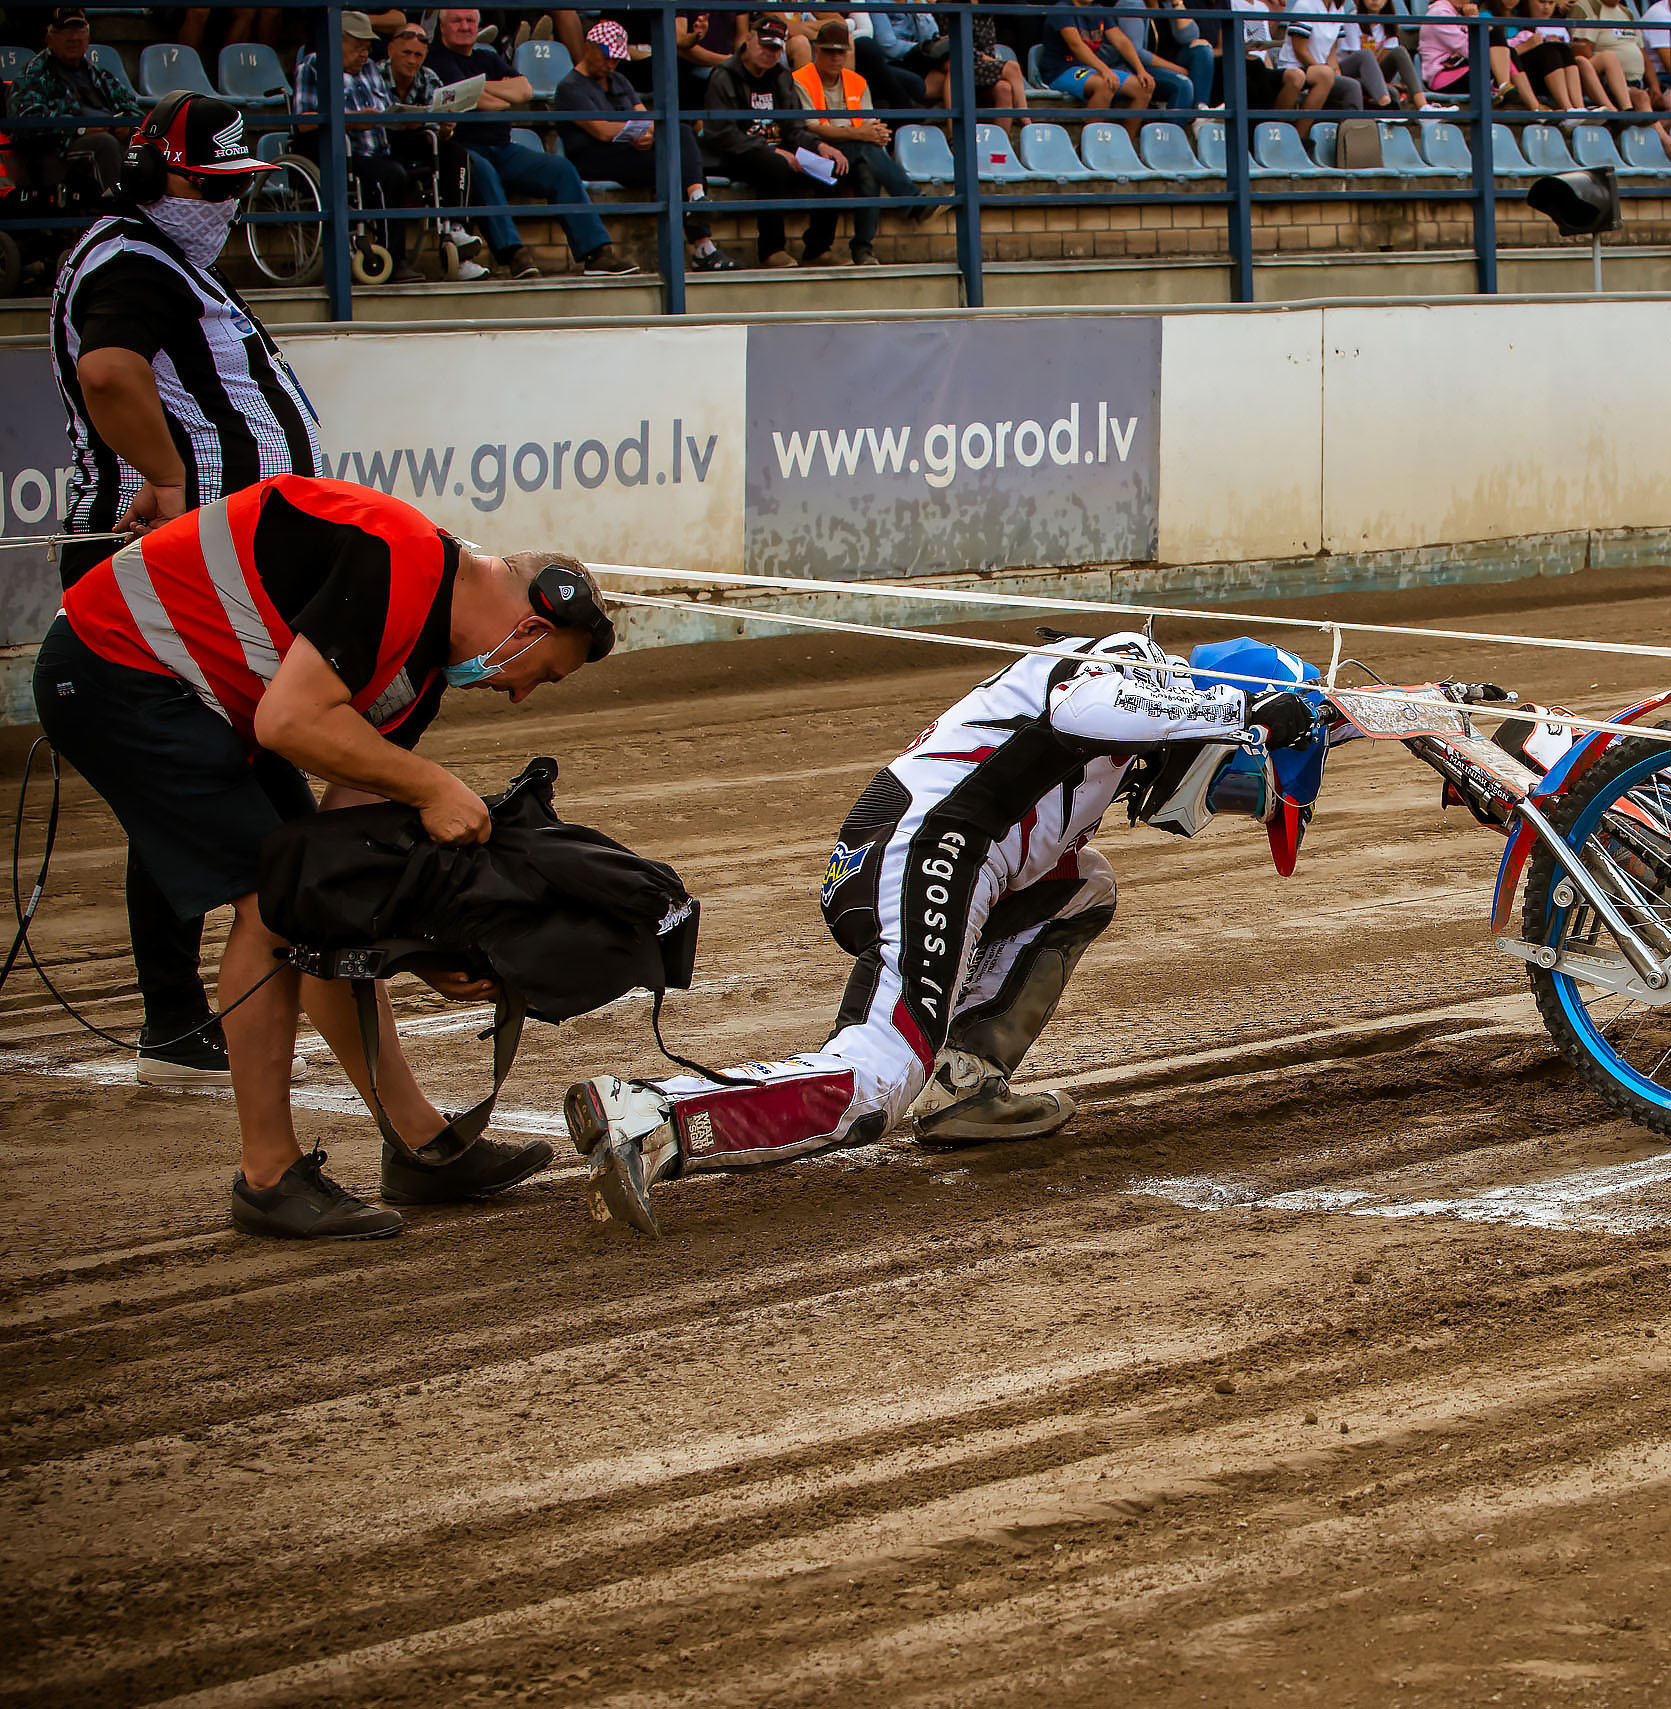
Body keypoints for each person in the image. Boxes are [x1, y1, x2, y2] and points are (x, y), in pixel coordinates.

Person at [563, 634, 1330, 1237]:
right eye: (1235, 782)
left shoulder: (1137, 697)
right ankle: (653, 1114)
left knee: (1084, 885)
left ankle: (964, 1084)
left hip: (943, 852)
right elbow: (1085, 709)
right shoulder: (1125, 662)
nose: (1206, 807)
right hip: (931, 852)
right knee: (872, 1087)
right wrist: (1237, 715)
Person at [34, 474, 616, 1238]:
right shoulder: (396, 559)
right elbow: (287, 721)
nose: (519, 696)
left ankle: (418, 1145)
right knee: (270, 904)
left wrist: (420, 949)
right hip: (114, 668)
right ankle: (267, 1177)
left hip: (195, 692)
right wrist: (434, 785)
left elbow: (343, 860)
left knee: (310, 890)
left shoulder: (419, 675)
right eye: (541, 673)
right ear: (533, 628)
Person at [46, 91, 325, 1087]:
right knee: (232, 792)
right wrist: (164, 479)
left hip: (203, 573)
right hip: (176, 574)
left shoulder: (152, 255)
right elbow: (112, 374)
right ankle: (184, 1011)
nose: (227, 207)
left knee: (196, 788)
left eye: (237, 188)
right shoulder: (131, 258)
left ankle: (178, 1014)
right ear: (154, 177)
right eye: (211, 186)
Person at [423, 4, 636, 278]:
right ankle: (515, 255)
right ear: (442, 27)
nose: (464, 26)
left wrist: (474, 87)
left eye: (469, 20)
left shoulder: (487, 58)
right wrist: (497, 93)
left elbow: (524, 90)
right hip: (464, 150)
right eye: (456, 21)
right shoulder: (437, 60)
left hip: (503, 148)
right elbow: (489, 102)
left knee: (560, 169)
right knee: (482, 171)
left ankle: (598, 254)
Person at [556, 19, 738, 271]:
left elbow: (647, 119)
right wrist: (637, 132)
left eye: (616, 59)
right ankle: (704, 247)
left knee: (682, 134)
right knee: (678, 165)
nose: (611, 64)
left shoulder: (618, 79)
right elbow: (601, 130)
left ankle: (697, 199)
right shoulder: (569, 87)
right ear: (589, 47)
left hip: (629, 151)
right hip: (594, 156)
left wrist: (649, 135)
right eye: (607, 57)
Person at [702, 13, 856, 268]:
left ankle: (818, 249)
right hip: (735, 153)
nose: (769, 53)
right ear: (749, 40)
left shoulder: (781, 76)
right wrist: (772, 151)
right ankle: (771, 250)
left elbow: (794, 128)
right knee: (774, 166)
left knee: (833, 167)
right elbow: (723, 133)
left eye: (775, 48)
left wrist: (820, 146)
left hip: (780, 151)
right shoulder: (724, 75)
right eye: (764, 45)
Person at [292, 11, 426, 282]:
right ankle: (394, 259)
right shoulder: (314, 66)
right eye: (358, 47)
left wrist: (404, 118)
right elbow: (303, 123)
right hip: (342, 154)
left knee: (438, 151)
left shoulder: (370, 69)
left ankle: (455, 234)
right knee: (390, 175)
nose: (365, 53)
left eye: (367, 47)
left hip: (382, 146)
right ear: (336, 42)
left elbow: (385, 109)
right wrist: (351, 122)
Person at [790, 19, 927, 266]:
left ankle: (863, 249)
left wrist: (879, 134)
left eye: (840, 52)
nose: (835, 58)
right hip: (812, 152)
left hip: (851, 153)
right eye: (829, 51)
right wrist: (863, 136)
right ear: (817, 51)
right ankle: (911, 201)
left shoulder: (857, 82)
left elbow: (868, 125)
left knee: (867, 168)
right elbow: (811, 128)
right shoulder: (801, 79)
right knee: (865, 148)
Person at [379, 21, 491, 279]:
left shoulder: (429, 78)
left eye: (418, 55)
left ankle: (456, 231)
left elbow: (441, 131)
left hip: (421, 140)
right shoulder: (375, 75)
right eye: (406, 53)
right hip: (384, 142)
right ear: (391, 50)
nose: (412, 60)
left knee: (457, 152)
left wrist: (446, 128)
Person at [6, 8, 144, 202]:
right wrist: (80, 129)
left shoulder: (99, 74)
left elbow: (131, 108)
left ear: (88, 36)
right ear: (49, 37)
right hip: (58, 150)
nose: (73, 38)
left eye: (79, 31)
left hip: (109, 136)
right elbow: (25, 122)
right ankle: (119, 212)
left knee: (146, 146)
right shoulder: (34, 74)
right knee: (104, 144)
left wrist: (126, 127)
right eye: (64, 31)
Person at [1044, 6, 1159, 119]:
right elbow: (1076, 46)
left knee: (1143, 88)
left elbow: (1121, 41)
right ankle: (1092, 137)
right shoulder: (1062, 9)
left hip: (1091, 69)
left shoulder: (1098, 10)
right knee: (1105, 85)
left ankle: (1127, 137)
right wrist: (1105, 70)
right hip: (1061, 71)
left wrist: (1141, 70)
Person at [1571, 0, 1658, 113]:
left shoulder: (1627, 12)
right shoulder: (1589, 7)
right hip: (1606, 83)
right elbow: (1581, 52)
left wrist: (1655, 85)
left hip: (1637, 83)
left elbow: (1642, 52)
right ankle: (1626, 112)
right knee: (1641, 98)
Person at [1419, 0, 1514, 102]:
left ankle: (1530, 105)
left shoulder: (1458, 14)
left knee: (1509, 52)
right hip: (1443, 77)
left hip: (1462, 66)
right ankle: (1504, 88)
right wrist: (1473, 19)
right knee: (1497, 44)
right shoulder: (1439, 13)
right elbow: (1470, 50)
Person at [1349, 0, 1429, 107]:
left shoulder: (1389, 22)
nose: (1376, 0)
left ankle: (1424, 107)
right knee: (1392, 93)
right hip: (1355, 76)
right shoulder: (1352, 19)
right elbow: (1358, 63)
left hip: (1376, 75)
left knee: (1400, 52)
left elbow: (1379, 63)